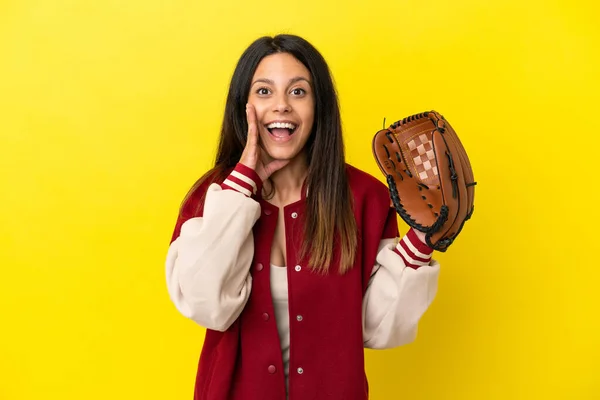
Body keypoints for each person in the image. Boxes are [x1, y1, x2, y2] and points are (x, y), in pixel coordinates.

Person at [165, 34, 441, 400]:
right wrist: (241, 185)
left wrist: (421, 242)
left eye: (298, 92)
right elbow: (207, 306)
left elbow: (375, 329)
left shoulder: (365, 198)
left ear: (318, 107)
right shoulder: (212, 196)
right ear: (243, 106)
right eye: (264, 92)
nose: (281, 105)